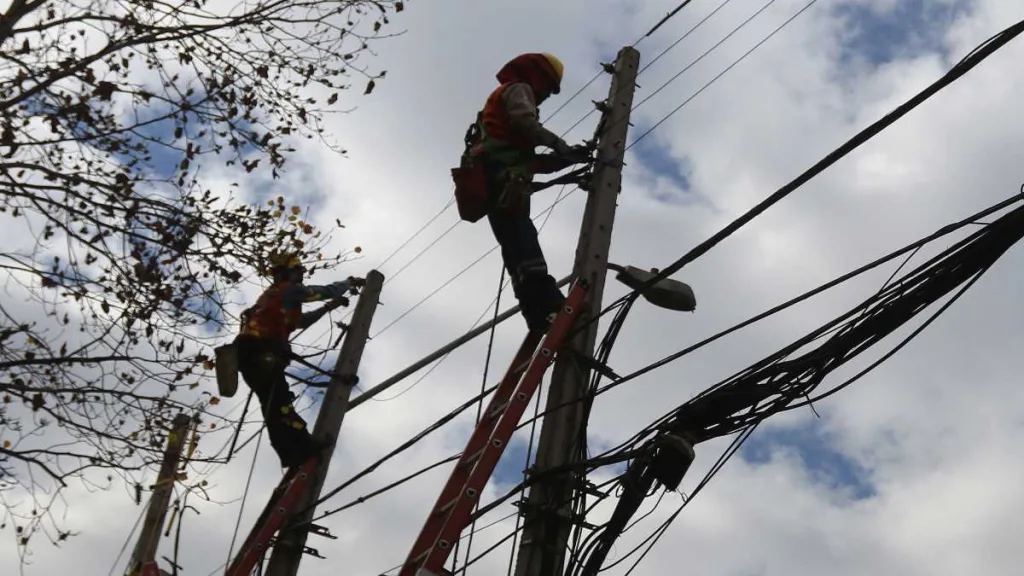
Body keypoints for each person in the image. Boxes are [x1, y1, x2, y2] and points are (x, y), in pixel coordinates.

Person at [460, 52, 591, 331]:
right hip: (500, 178)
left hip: (496, 179)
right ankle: (551, 304)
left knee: (516, 250)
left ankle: (538, 315)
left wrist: (569, 159)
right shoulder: (519, 89)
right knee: (522, 239)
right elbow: (525, 123)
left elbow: (527, 160)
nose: (545, 96)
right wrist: (560, 145)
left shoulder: (502, 130)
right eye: (548, 88)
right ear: (538, 76)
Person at [234, 251, 364, 469]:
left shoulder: (273, 298)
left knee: (276, 405)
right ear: (287, 273)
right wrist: (347, 283)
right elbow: (322, 292)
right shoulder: (288, 290)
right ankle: (300, 449)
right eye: (297, 272)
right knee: (280, 404)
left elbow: (299, 322)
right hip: (259, 352)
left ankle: (293, 453)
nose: (300, 276)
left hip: (251, 357)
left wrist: (328, 308)